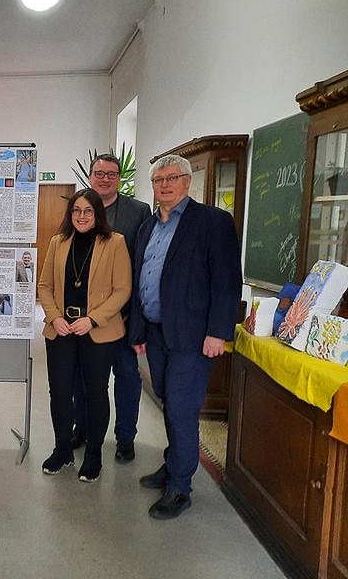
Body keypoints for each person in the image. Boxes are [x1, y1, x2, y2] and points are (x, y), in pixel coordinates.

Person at [130, 154, 241, 519]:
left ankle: (180, 486)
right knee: (166, 399)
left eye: (171, 178)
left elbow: (227, 282)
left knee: (181, 406)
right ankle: (174, 461)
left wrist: (217, 333)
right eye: (158, 180)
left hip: (194, 337)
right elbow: (142, 281)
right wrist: (140, 330)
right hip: (158, 332)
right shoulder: (149, 227)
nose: (164, 185)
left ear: (187, 182)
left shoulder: (212, 222)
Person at [37, 188, 131, 482]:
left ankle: (93, 454)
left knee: (95, 392)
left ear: (97, 214)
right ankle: (62, 449)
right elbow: (45, 286)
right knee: (60, 391)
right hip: (62, 329)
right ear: (70, 214)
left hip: (97, 331)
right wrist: (55, 317)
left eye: (88, 211)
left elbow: (122, 290)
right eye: (76, 210)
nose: (81, 216)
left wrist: (92, 319)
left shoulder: (115, 243)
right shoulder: (58, 242)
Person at [71, 153, 152, 462]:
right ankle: (84, 428)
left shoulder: (138, 212)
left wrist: (135, 313)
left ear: (119, 177)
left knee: (128, 377)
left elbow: (143, 263)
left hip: (123, 314)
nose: (104, 178)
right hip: (85, 317)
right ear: (90, 176)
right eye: (99, 173)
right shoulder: (80, 210)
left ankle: (125, 437)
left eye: (111, 173)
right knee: (85, 377)